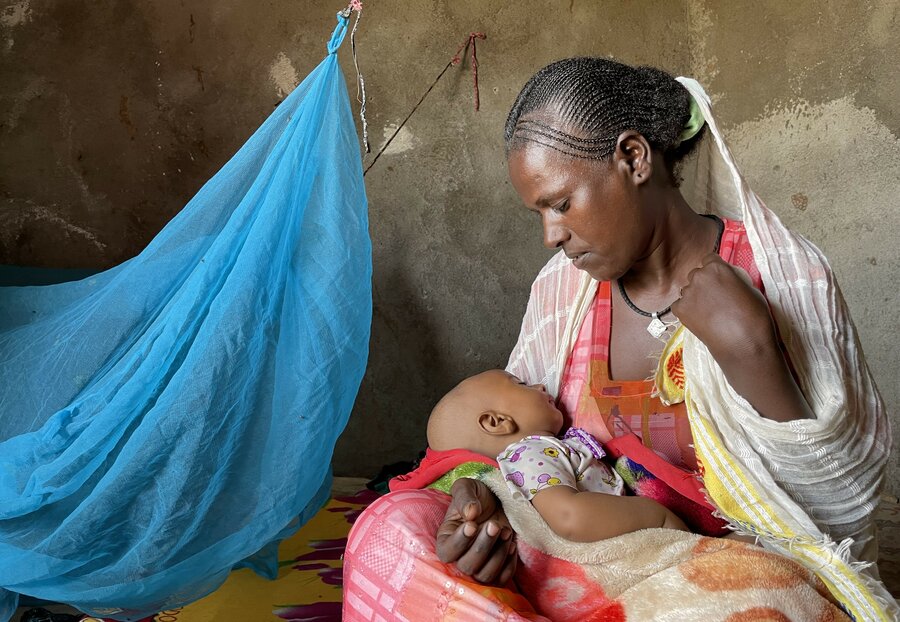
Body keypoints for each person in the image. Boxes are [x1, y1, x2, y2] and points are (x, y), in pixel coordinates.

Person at [343, 57, 894, 620]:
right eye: (540, 212)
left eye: (560, 204)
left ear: (633, 158)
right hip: (585, 572)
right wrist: (480, 507)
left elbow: (839, 506)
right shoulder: (562, 292)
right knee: (385, 532)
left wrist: (749, 351)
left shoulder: (781, 273)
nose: (551, 235)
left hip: (728, 579)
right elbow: (511, 441)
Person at [427, 369, 688, 542]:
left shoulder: (543, 449)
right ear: (497, 422)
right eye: (522, 384)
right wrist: (655, 515)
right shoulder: (527, 454)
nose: (541, 385)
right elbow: (569, 517)